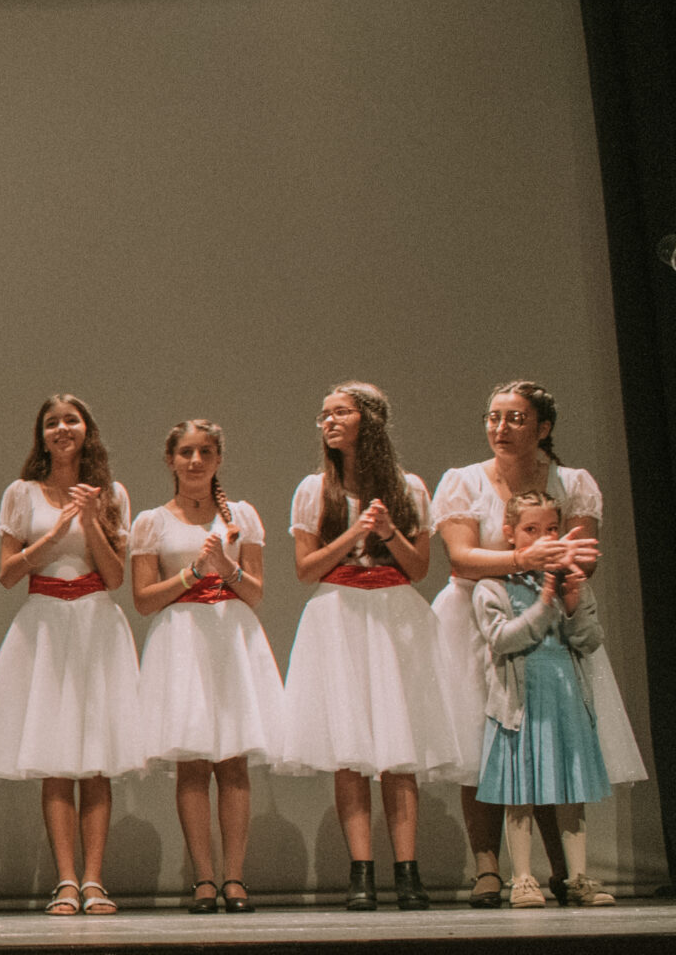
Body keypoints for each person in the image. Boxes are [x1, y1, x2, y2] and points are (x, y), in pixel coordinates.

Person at [428, 381, 642, 906]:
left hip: (549, 615)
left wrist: (547, 568)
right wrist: (526, 559)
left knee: (548, 735)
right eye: (493, 417)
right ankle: (487, 867)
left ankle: (563, 870)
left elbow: (583, 555)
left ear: (543, 428)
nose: (500, 428)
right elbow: (462, 557)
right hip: (478, 614)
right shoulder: (464, 482)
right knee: (484, 745)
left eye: (515, 419)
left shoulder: (572, 484)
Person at [272, 382, 459, 911]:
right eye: (323, 414)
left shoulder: (409, 488)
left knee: (399, 753)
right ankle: (361, 874)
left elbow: (419, 568)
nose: (327, 422)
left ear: (367, 421)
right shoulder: (315, 490)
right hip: (339, 614)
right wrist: (355, 529)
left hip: (394, 614)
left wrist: (389, 531)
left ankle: (407, 872)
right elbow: (307, 569)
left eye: (339, 413)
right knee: (349, 752)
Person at [0, 395, 141, 916]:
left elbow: (117, 577)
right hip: (45, 623)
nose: (62, 428)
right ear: (42, 434)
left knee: (96, 759)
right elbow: (9, 574)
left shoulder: (111, 493)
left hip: (96, 622)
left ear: (87, 430)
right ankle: (64, 881)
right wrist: (56, 533)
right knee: (55, 761)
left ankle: (95, 880)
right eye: (52, 422)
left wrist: (90, 522)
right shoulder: (22, 493)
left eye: (71, 420)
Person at [128, 420, 284, 915]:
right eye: (186, 452)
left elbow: (256, 593)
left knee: (233, 761)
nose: (195, 461)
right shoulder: (153, 521)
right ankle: (202, 878)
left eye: (206, 452)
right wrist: (192, 572)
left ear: (218, 459)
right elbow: (144, 601)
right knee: (192, 764)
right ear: (170, 459)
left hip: (230, 635)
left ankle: (234, 878)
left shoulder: (241, 516)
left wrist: (225, 567)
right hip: (182, 640)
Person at [473, 491, 615, 908]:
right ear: (510, 534)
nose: (543, 537)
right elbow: (501, 639)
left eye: (551, 529)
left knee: (570, 790)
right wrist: (545, 602)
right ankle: (522, 878)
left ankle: (578, 876)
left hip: (565, 700)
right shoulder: (492, 586)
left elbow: (588, 640)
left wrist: (570, 603)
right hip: (520, 706)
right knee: (520, 792)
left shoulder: (570, 579)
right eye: (531, 530)